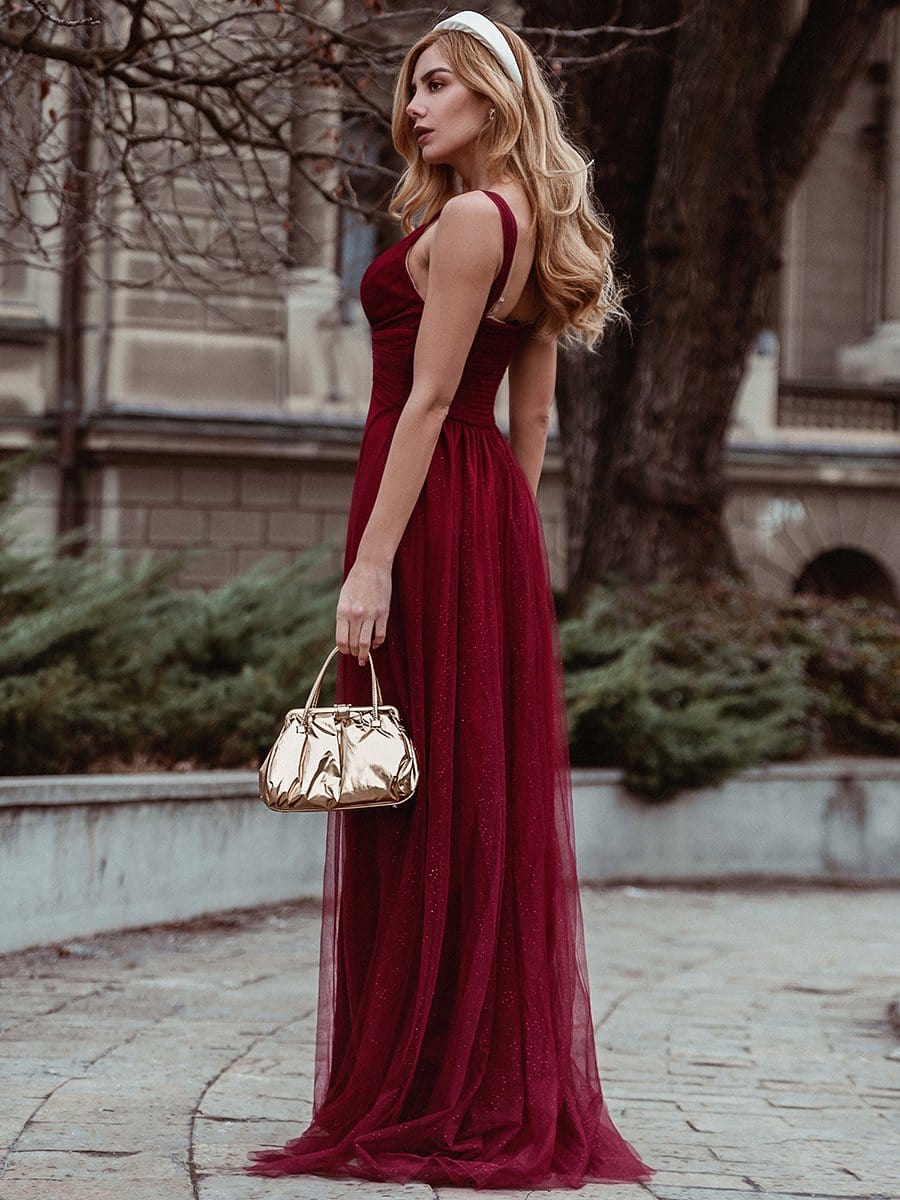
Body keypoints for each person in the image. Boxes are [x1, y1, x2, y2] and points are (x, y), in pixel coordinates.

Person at [246, 9, 655, 1190]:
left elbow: (427, 404)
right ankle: (451, 1071)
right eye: (410, 88)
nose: (413, 106)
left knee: (419, 799)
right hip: (479, 520)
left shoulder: (473, 218)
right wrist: (497, 560)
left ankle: (430, 1089)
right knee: (458, 793)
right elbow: (531, 425)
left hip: (422, 511)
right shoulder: (536, 224)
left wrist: (379, 561)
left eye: (435, 85)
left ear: (489, 92)